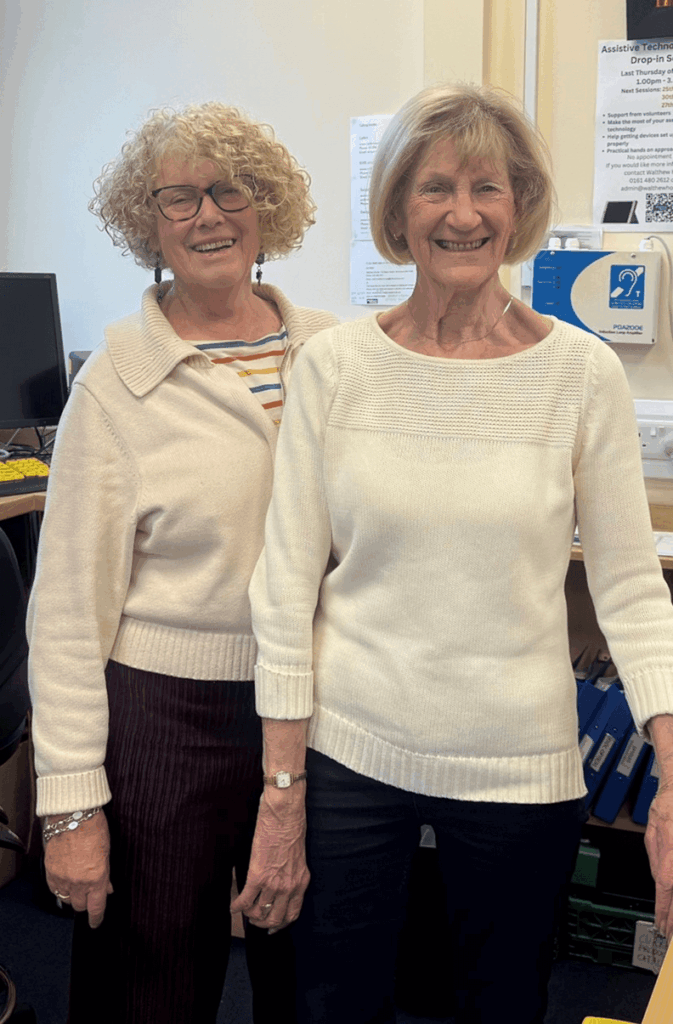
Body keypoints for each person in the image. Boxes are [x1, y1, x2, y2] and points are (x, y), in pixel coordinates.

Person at [234, 83, 673, 1024]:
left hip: (519, 763)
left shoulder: (580, 374)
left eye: (486, 188)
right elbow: (285, 586)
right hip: (349, 750)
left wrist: (671, 774)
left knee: (501, 1002)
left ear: (520, 208)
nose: (461, 214)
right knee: (329, 1001)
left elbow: (632, 592)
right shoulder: (335, 368)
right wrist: (280, 790)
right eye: (434, 187)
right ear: (397, 209)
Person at [26, 101, 338, 1024]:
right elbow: (67, 615)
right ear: (148, 224)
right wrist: (71, 808)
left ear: (265, 207)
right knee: (148, 985)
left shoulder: (334, 355)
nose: (208, 215)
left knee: (317, 978)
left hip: (322, 706)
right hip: (167, 716)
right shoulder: (117, 380)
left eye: (229, 191)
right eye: (178, 198)